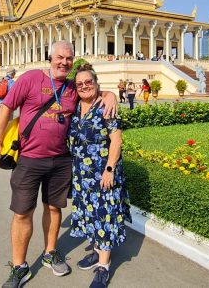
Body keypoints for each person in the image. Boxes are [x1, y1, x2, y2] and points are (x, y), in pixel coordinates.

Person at [0, 41, 117, 288]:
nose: (64, 63)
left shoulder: (71, 87)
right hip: (28, 159)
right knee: (23, 212)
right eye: (59, 57)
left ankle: (50, 252)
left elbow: (93, 93)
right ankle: (19, 267)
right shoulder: (30, 79)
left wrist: (110, 94)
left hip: (60, 160)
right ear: (50, 57)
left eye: (68, 59)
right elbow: (6, 108)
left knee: (54, 209)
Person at [68, 63, 131, 288]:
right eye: (80, 84)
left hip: (103, 173)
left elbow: (116, 139)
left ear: (96, 83)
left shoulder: (105, 106)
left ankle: (104, 266)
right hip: (82, 175)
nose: (85, 86)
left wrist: (110, 169)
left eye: (89, 82)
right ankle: (96, 251)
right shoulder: (75, 106)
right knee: (90, 214)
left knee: (105, 216)